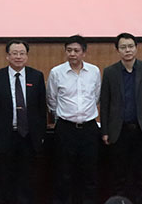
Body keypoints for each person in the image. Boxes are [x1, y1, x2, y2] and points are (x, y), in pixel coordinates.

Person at [100, 32, 142, 204]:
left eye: (130, 46)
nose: (127, 50)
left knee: (141, 173)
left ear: (136, 48)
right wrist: (105, 131)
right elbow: (105, 103)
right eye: (123, 47)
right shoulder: (110, 72)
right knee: (119, 174)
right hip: (119, 131)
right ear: (117, 50)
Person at [0, 40, 47, 204]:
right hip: (5, 135)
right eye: (14, 53)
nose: (18, 57)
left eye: (22, 53)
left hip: (29, 136)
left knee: (27, 177)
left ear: (27, 56)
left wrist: (41, 134)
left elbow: (42, 108)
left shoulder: (37, 76)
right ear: (7, 56)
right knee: (4, 177)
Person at [47, 35, 101, 204]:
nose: (72, 54)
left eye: (76, 50)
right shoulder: (56, 72)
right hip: (65, 129)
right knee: (63, 173)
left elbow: (96, 97)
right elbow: (52, 100)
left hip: (89, 129)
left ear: (84, 53)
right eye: (69, 50)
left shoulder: (94, 71)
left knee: (90, 173)